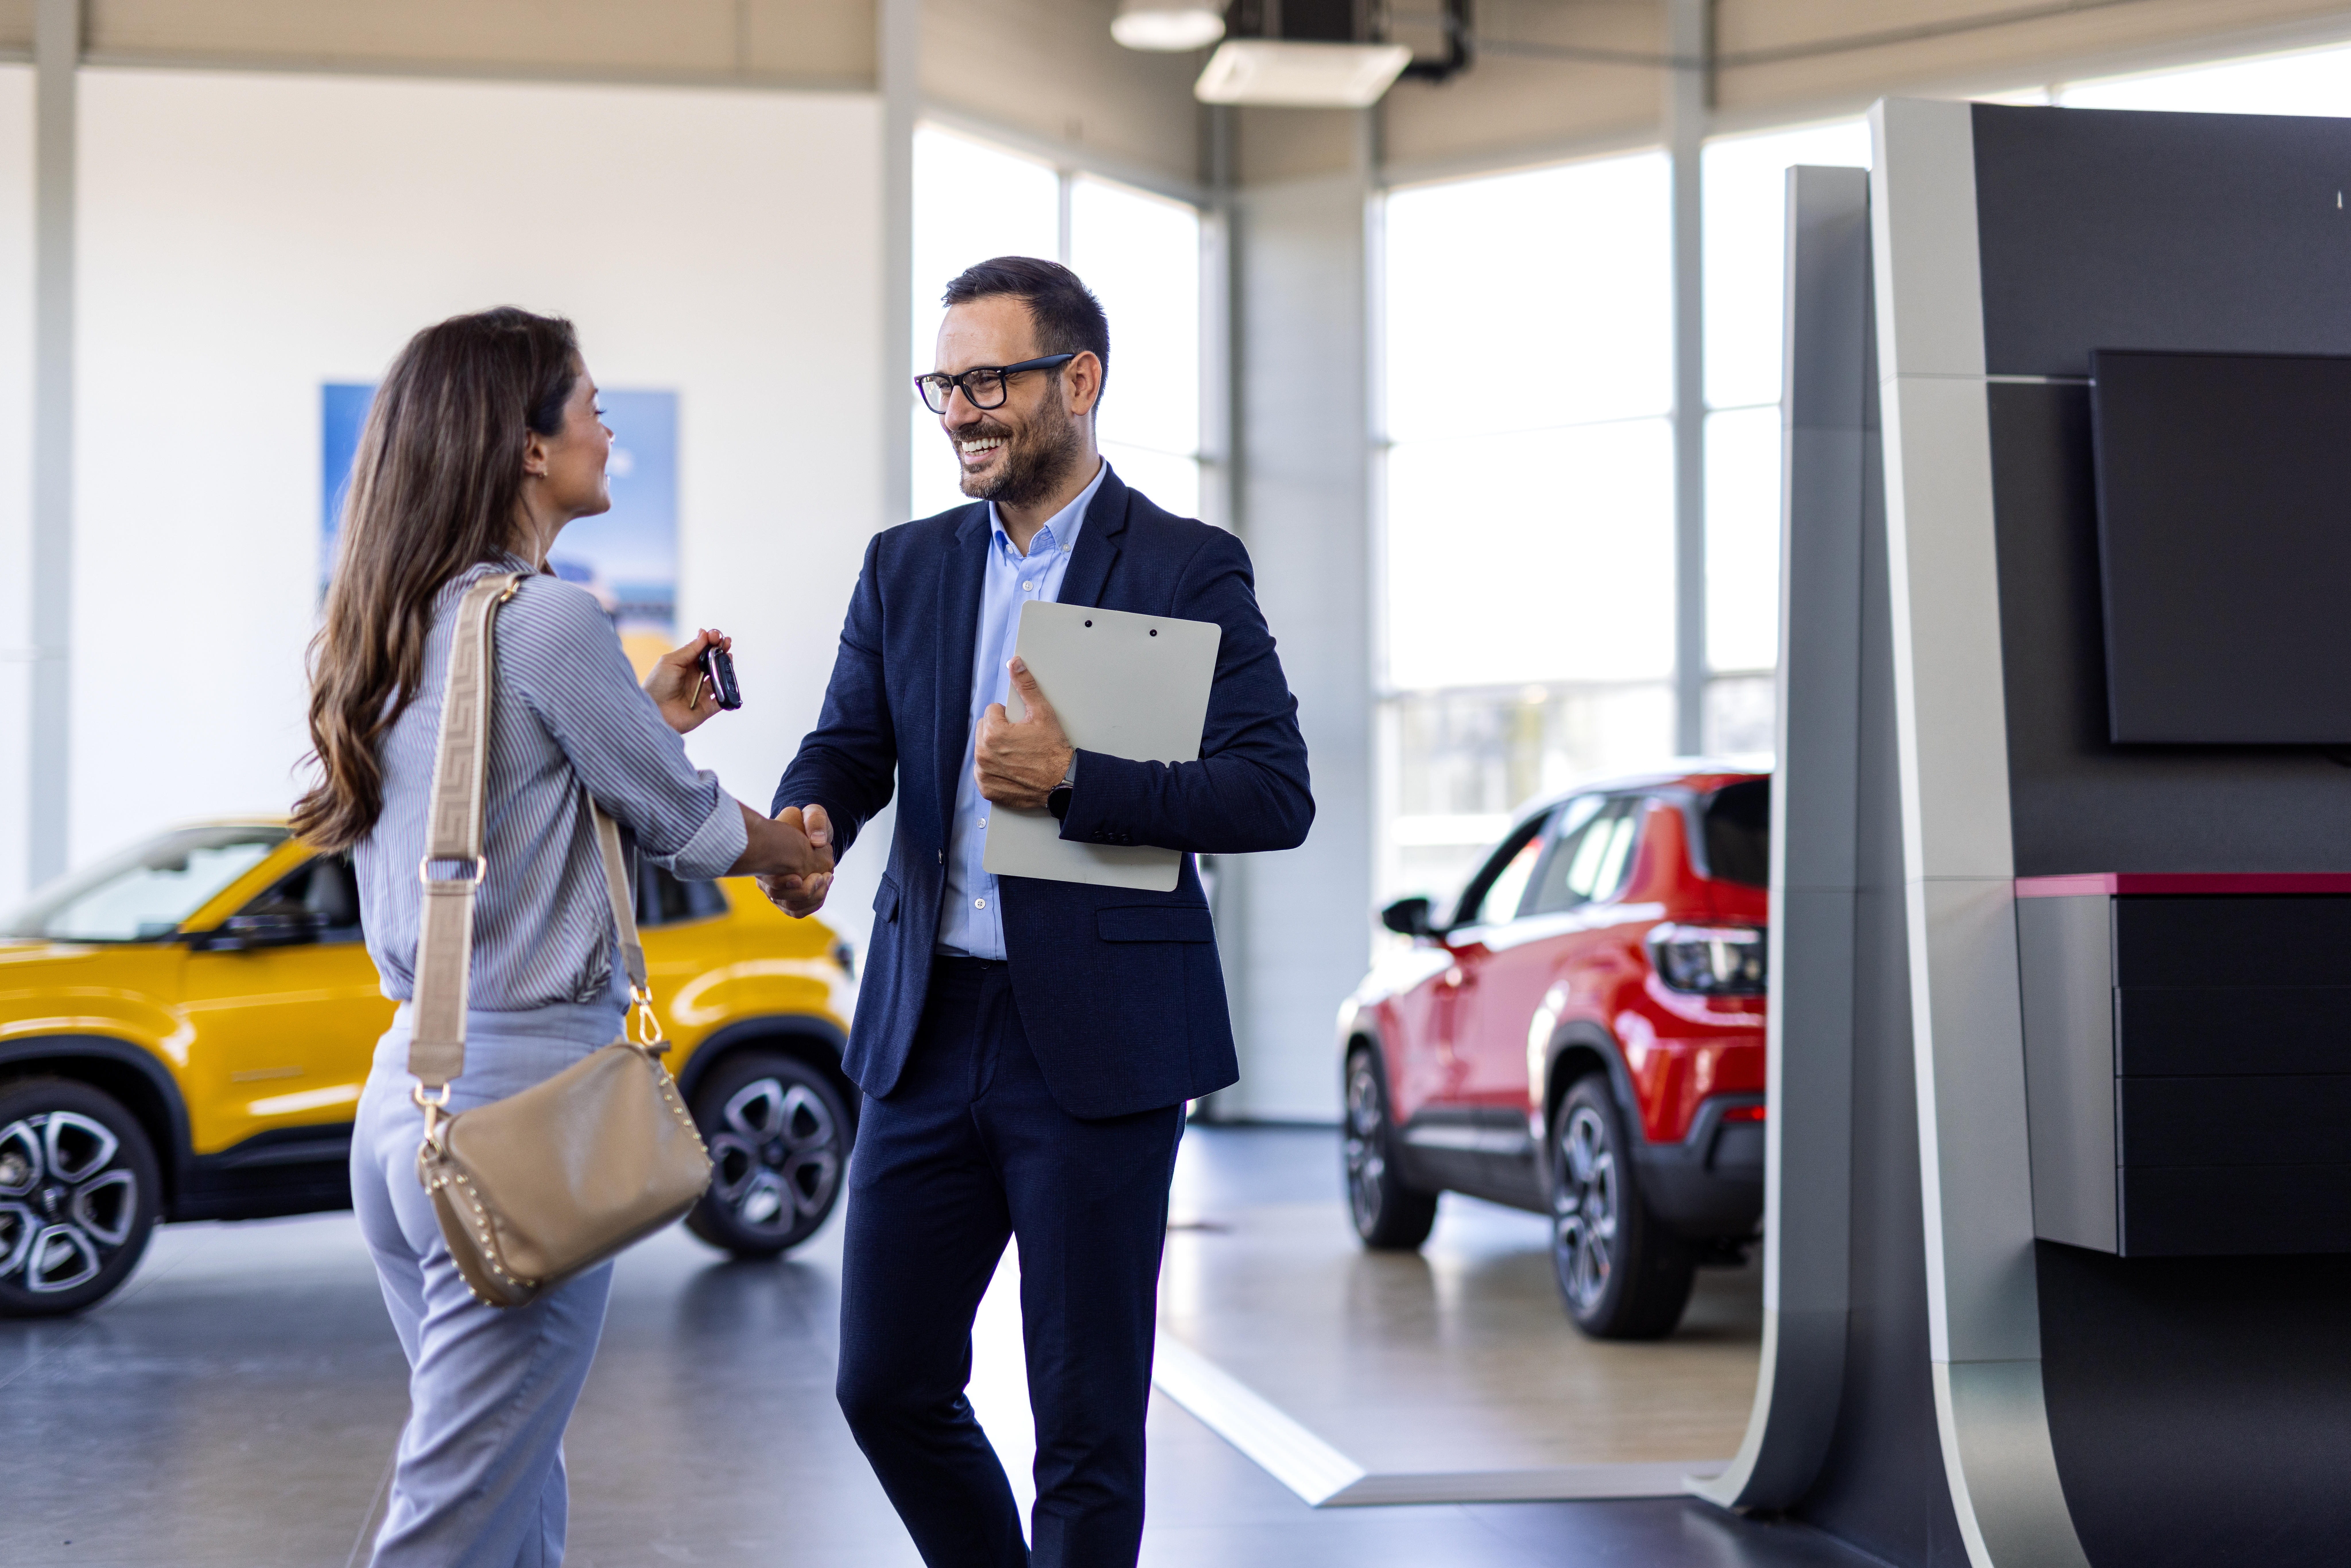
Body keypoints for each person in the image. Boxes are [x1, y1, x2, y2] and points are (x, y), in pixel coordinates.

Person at [766, 257, 1314, 1566]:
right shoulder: (904, 567)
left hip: (1102, 1040)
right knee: (884, 1383)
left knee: (1082, 1423)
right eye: (943, 383)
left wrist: (1076, 780)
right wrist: (811, 824)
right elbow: (847, 745)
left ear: (1077, 382)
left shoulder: (1185, 564)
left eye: (988, 379)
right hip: (924, 1027)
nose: (960, 409)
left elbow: (1271, 792)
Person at [294, 306, 827, 1568]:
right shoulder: (547, 619)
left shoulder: (396, 623)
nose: (605, 434)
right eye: (587, 406)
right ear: (526, 446)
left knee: (510, 1490)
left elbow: (540, 789)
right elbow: (687, 822)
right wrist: (796, 851)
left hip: (408, 1106)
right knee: (456, 1519)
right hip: (520, 1102)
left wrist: (637, 721)